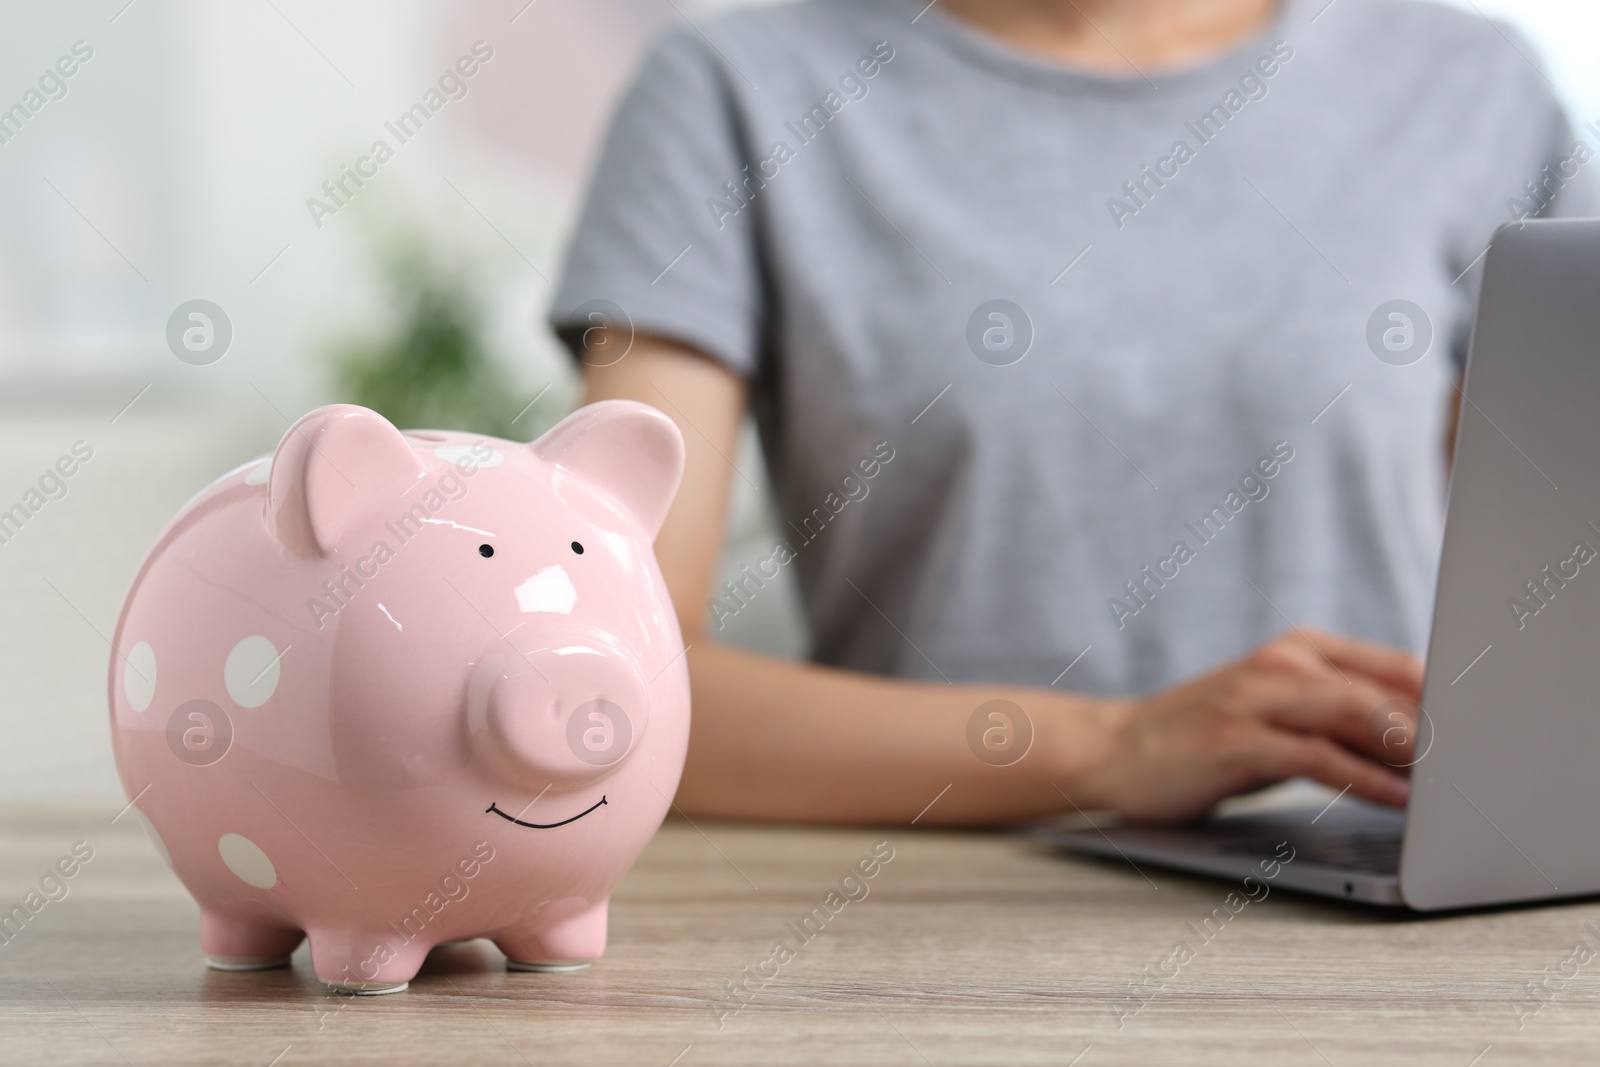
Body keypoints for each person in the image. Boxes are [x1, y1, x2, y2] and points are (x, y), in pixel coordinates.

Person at [549, 0, 1595, 825]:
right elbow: (612, 692)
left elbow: (1561, 578)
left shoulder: (1474, 86)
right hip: (933, 903)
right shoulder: (735, 92)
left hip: (1393, 891)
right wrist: (1112, 746)